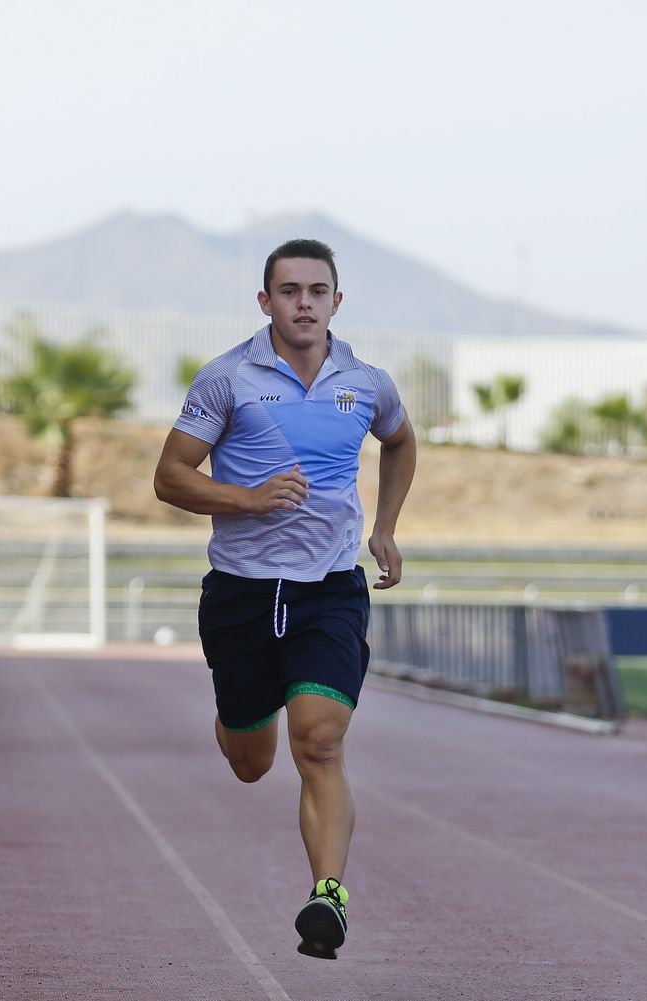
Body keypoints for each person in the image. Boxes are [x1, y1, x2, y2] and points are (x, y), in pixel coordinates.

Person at [153, 238, 417, 960]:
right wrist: (246, 497)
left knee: (321, 740)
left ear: (337, 301)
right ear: (266, 302)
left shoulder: (366, 382)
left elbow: (400, 441)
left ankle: (328, 895)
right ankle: (243, 707)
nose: (305, 302)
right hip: (241, 593)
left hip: (329, 591)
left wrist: (385, 529)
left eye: (317, 290)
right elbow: (170, 476)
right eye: (290, 290)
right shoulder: (227, 380)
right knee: (250, 760)